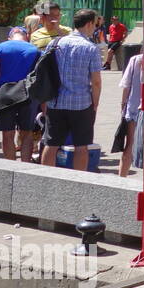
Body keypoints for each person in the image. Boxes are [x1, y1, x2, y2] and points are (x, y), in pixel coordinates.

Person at [40, 9, 103, 172]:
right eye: (95, 24)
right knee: (81, 146)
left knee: (51, 144)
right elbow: (96, 81)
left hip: (56, 101)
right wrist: (95, 102)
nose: (95, 28)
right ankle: (78, 181)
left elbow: (44, 71)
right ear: (89, 24)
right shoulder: (91, 48)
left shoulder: (55, 43)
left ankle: (45, 179)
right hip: (81, 103)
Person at [0, 27, 40, 162]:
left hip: (5, 95)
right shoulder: (35, 50)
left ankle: (10, 166)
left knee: (7, 134)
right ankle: (24, 167)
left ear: (10, 37)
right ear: (26, 37)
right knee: (27, 133)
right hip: (28, 95)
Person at [118, 51, 144, 177]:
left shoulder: (135, 60)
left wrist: (123, 105)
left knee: (130, 143)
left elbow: (126, 85)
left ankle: (122, 178)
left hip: (134, 107)